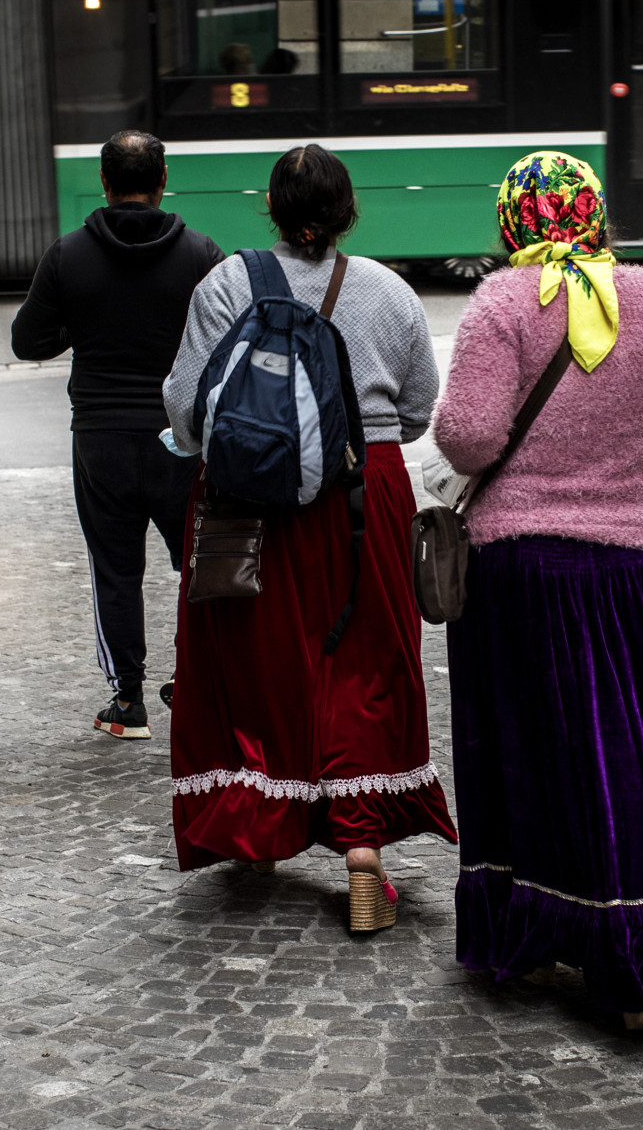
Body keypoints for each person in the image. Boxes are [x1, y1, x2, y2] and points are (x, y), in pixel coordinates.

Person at [433, 151, 643, 1034]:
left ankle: (554, 942)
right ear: (596, 217)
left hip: (530, 568)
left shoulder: (503, 304)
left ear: (514, 222)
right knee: (634, 756)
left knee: (535, 756)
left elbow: (469, 438)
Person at [161, 144, 455, 931]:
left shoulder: (226, 282)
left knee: (256, 659)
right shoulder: (389, 292)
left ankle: (257, 829)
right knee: (363, 663)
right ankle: (363, 854)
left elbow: (189, 409)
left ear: (273, 208)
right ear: (349, 210)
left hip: (250, 503)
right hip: (368, 494)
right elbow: (421, 409)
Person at [10, 130, 225, 740]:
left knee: (115, 569)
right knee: (198, 565)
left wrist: (76, 329)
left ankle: (128, 701)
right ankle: (197, 683)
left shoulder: (68, 255)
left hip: (100, 438)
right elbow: (231, 341)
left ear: (105, 183)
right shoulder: (202, 255)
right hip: (180, 440)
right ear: (161, 183)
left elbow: (27, 341)